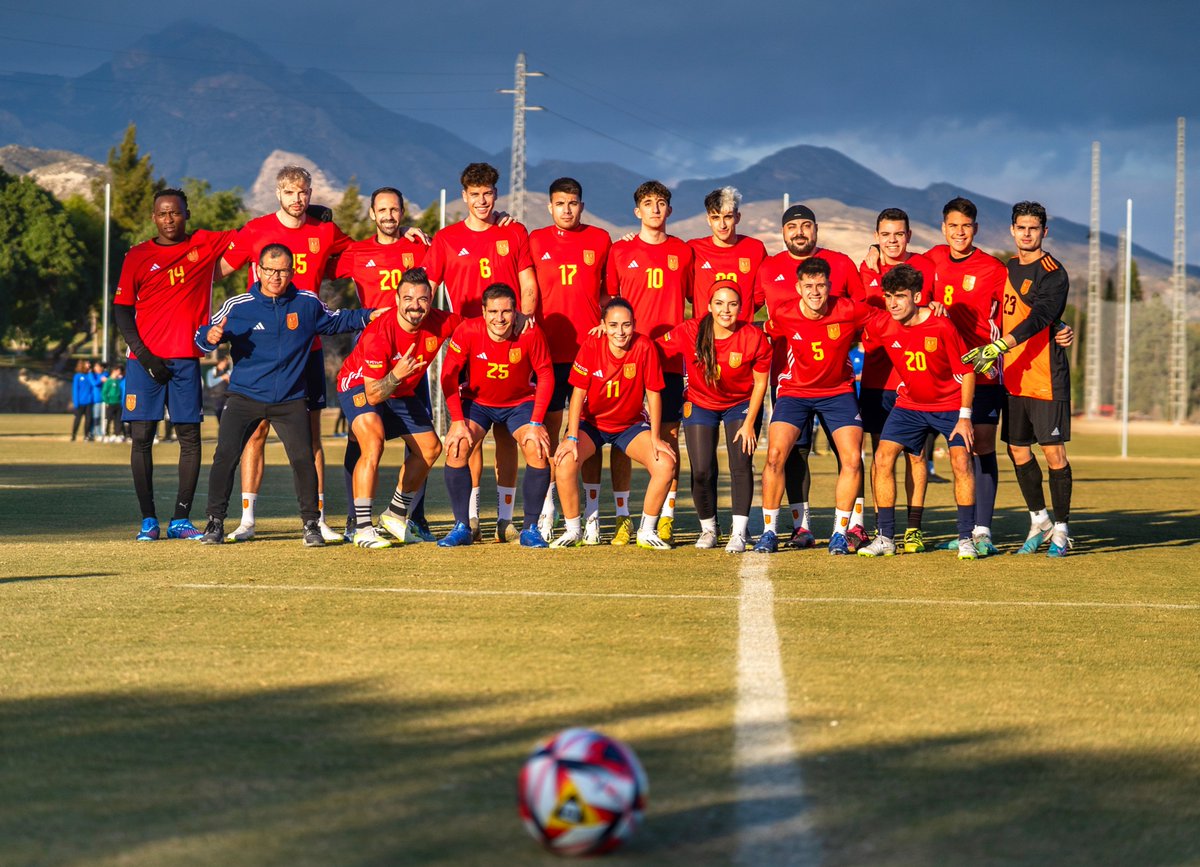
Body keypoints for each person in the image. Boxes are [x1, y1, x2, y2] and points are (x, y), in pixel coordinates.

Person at [195, 245, 375, 546]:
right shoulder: (238, 306)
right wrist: (208, 337)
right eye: (269, 270)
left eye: (282, 271)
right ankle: (214, 523)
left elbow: (337, 320)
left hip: (290, 398)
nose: (276, 277)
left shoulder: (306, 303)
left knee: (304, 459)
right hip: (244, 396)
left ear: (292, 272)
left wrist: (372, 315)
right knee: (224, 456)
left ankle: (310, 525)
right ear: (258, 271)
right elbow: (205, 335)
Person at [217, 165, 356, 543]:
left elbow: (365, 252)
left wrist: (408, 237)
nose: (299, 199)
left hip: (305, 350)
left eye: (304, 192)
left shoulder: (324, 230)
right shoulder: (255, 230)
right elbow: (217, 269)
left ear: (311, 193)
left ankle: (318, 519)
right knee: (254, 433)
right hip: (256, 350)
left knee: (311, 439)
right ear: (278, 194)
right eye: (291, 192)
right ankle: (247, 519)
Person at [424, 163, 538, 542]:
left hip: (510, 342)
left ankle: (506, 519)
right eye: (475, 195)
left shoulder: (514, 231)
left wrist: (525, 318)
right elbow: (426, 288)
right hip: (468, 346)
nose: (482, 201)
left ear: (496, 194)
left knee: (509, 438)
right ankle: (468, 518)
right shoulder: (446, 238)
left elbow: (528, 284)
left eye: (488, 194)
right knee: (466, 435)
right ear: (464, 197)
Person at [114, 188, 233, 540]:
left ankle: (181, 519)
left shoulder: (203, 246)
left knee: (190, 437)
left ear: (187, 214)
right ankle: (148, 520)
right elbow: (122, 311)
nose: (169, 219)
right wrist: (146, 356)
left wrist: (306, 217)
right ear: (154, 217)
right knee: (142, 437)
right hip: (143, 362)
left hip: (185, 360)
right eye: (163, 213)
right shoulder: (137, 255)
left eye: (176, 213)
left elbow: (253, 235)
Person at [964, 201, 1074, 557]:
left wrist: (1001, 345)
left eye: (1034, 228)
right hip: (1013, 377)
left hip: (1045, 377)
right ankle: (1039, 518)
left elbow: (1041, 316)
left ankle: (1061, 529)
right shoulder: (1007, 268)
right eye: (1021, 227)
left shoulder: (1053, 271)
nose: (1027, 234)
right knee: (1016, 450)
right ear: (1012, 230)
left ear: (1045, 231)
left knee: (1054, 454)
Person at [754, 203, 866, 548]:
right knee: (781, 455)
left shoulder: (846, 295)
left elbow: (880, 318)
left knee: (850, 457)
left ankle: (845, 530)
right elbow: (755, 329)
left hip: (838, 390)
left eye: (806, 225)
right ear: (798, 287)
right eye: (793, 226)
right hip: (793, 389)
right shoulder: (779, 300)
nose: (815, 292)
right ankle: (777, 530)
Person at [853, 264, 979, 560]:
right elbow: (847, 316)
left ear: (918, 296)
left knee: (961, 462)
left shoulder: (941, 326)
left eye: (900, 296)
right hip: (909, 405)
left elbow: (967, 371)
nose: (892, 303)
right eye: (888, 296)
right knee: (882, 458)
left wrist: (964, 416)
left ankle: (966, 538)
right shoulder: (884, 324)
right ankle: (885, 537)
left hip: (949, 406)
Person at [333, 186, 436, 541]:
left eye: (395, 209)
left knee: (421, 441)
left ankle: (411, 517)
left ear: (403, 212)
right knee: (362, 440)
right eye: (383, 210)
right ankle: (355, 520)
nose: (389, 215)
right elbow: (316, 259)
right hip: (371, 357)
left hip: (413, 358)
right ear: (372, 215)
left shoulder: (419, 247)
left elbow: (453, 257)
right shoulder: (357, 252)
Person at [334, 267, 459, 548]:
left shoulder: (439, 321)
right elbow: (374, 394)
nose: (415, 305)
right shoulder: (379, 333)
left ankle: (395, 513)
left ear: (431, 299)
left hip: (399, 389)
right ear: (397, 298)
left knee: (430, 448)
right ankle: (363, 528)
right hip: (361, 385)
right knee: (374, 442)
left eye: (423, 299)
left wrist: (516, 321)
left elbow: (476, 327)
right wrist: (396, 375)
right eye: (408, 298)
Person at [605, 180, 693, 545]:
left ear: (669, 210)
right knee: (623, 440)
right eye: (648, 203)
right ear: (637, 211)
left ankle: (666, 517)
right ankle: (624, 518)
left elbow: (698, 298)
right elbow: (608, 302)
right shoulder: (620, 251)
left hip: (670, 360)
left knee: (668, 439)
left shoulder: (684, 252)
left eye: (661, 203)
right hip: (627, 359)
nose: (655, 209)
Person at [551, 297, 676, 550]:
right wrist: (572, 437)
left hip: (629, 426)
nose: (620, 332)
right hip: (591, 424)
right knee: (564, 462)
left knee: (666, 464)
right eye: (614, 325)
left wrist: (654, 437)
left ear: (634, 325)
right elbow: (577, 395)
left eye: (626, 325)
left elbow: (653, 393)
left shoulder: (644, 347)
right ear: (603, 325)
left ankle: (646, 530)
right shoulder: (591, 344)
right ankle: (573, 530)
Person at [437, 283, 553, 548]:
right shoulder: (467, 330)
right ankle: (463, 527)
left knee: (537, 449)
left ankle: (530, 528)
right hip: (477, 403)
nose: (499, 318)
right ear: (483, 311)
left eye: (506, 311)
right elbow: (448, 375)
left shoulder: (530, 333)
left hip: (519, 403)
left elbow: (545, 375)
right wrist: (456, 421)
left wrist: (535, 422)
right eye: (493, 311)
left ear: (516, 312)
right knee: (457, 447)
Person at [528, 177, 612, 543]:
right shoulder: (535, 240)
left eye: (573, 203)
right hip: (547, 354)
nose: (567, 209)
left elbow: (610, 296)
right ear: (550, 207)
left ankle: (590, 517)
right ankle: (547, 512)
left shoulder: (601, 239)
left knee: (587, 436)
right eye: (560, 203)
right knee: (547, 436)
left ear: (581, 205)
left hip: (589, 353)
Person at [659, 282, 771, 552]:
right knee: (701, 471)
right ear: (709, 307)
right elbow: (651, 349)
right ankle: (709, 528)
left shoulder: (752, 337)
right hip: (700, 403)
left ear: (742, 309)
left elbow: (760, 383)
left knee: (740, 464)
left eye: (732, 304)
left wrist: (749, 423)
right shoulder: (691, 330)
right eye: (719, 303)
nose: (726, 310)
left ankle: (739, 533)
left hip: (740, 404)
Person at [857, 208, 937, 553]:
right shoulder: (865, 269)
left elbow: (931, 314)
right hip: (876, 380)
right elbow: (861, 313)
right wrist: (872, 274)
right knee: (881, 458)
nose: (892, 240)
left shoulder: (925, 268)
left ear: (909, 235)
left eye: (899, 234)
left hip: (915, 382)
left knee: (916, 457)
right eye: (886, 234)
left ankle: (914, 529)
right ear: (877, 236)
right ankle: (883, 530)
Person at [687, 187, 767, 322]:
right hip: (705, 335)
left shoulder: (755, 248)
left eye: (728, 217)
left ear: (737, 217)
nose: (722, 225)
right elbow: (689, 292)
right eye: (715, 217)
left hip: (741, 334)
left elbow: (760, 294)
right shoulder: (694, 249)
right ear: (708, 220)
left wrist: (743, 313)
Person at [70, 359, 93, 441]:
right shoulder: (77, 376)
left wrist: (90, 373)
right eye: (87, 363)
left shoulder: (90, 375)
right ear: (83, 364)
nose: (89, 364)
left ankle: (86, 435)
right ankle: (73, 435)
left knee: (88, 420)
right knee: (77, 420)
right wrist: (76, 402)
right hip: (80, 402)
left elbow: (93, 384)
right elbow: (75, 390)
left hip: (89, 402)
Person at [102, 365, 125, 441]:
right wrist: (107, 401)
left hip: (118, 403)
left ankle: (117, 434)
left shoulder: (118, 381)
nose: (120, 372)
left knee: (118, 420)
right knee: (108, 419)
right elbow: (104, 392)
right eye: (118, 371)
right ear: (114, 371)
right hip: (111, 403)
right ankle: (106, 434)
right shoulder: (108, 381)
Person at [205, 356, 231, 422]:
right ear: (220, 362)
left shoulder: (227, 372)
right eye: (225, 362)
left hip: (226, 398)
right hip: (216, 398)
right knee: (219, 417)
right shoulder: (211, 372)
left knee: (226, 418)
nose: (226, 364)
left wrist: (228, 380)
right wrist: (222, 377)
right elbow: (210, 383)